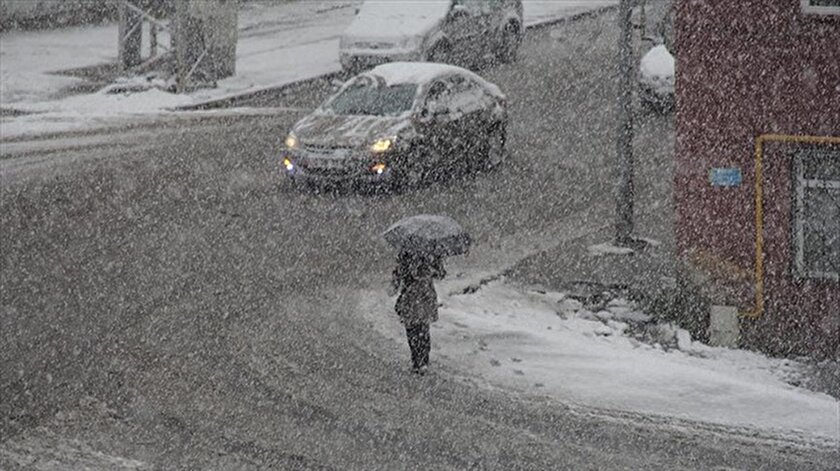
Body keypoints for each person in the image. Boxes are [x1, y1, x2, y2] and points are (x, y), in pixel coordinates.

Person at [390, 250, 445, 375]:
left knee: (413, 330)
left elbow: (397, 276)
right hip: (425, 296)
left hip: (411, 297)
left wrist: (396, 283)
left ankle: (417, 360)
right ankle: (423, 360)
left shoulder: (406, 255)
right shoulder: (432, 254)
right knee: (423, 329)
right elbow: (441, 274)